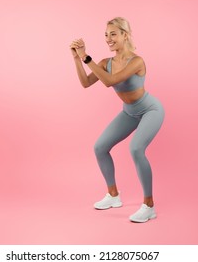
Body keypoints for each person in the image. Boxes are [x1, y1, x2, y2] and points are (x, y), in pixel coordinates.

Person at [70, 17, 165, 223]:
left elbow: (110, 81)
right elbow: (86, 82)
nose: (108, 38)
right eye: (106, 34)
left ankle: (149, 206)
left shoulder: (137, 61)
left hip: (150, 110)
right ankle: (113, 196)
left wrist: (86, 57)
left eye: (113, 33)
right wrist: (77, 59)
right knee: (100, 147)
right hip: (129, 112)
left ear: (125, 35)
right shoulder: (106, 63)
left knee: (136, 149)